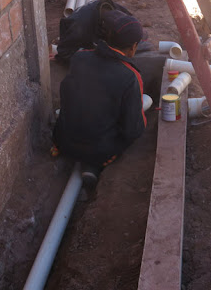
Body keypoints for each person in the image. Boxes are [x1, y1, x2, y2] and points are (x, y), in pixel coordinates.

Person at [52, 10, 147, 185]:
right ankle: (93, 166)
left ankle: (78, 158)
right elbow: (132, 130)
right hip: (99, 151)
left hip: (62, 139)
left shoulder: (79, 57)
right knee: (137, 125)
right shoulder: (130, 76)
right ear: (133, 47)